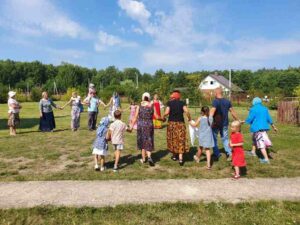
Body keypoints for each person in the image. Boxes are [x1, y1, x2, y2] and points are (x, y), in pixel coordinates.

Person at [130, 92, 162, 167]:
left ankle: (144, 159)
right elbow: (157, 116)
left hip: (141, 125)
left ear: (142, 97)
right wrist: (163, 119)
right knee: (149, 140)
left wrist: (131, 126)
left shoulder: (139, 106)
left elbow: (135, 117)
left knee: (142, 141)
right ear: (149, 98)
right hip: (149, 124)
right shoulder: (152, 106)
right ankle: (149, 157)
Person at [209, 87, 239, 161]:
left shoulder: (215, 101)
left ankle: (216, 154)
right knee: (225, 139)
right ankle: (229, 153)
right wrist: (238, 120)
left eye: (214, 93)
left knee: (214, 139)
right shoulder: (227, 101)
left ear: (216, 93)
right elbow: (232, 112)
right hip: (224, 123)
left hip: (216, 124)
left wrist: (208, 121)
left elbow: (212, 112)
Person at [245, 97, 277, 164]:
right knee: (254, 139)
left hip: (258, 129)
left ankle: (266, 159)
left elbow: (250, 118)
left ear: (254, 102)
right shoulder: (265, 109)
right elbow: (269, 118)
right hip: (263, 128)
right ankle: (253, 152)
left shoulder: (253, 109)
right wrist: (273, 126)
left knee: (261, 144)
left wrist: (244, 121)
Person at [163, 90, 191, 166]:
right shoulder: (182, 103)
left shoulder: (170, 103)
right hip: (180, 124)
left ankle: (175, 156)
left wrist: (163, 117)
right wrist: (189, 118)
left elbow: (166, 112)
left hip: (171, 124)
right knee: (180, 140)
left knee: (172, 139)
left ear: (173, 96)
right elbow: (187, 111)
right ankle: (181, 159)